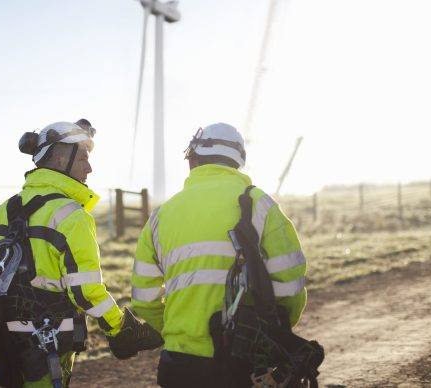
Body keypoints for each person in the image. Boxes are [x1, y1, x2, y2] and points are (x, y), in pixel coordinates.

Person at [0, 119, 162, 388]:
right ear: (61, 161)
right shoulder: (72, 216)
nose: (90, 167)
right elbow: (86, 290)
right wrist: (121, 329)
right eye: (83, 158)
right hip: (47, 345)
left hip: (3, 343)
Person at [130, 123, 308, 388]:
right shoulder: (261, 205)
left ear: (193, 159)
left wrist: (177, 330)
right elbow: (290, 286)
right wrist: (271, 334)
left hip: (179, 361)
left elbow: (144, 299)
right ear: (238, 162)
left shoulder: (161, 215)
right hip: (244, 358)